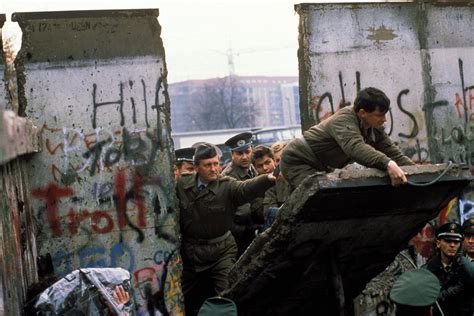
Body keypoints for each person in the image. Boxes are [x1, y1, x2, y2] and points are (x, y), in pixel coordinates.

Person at [176, 143, 276, 315]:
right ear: (197, 167)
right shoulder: (182, 185)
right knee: (183, 298)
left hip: (221, 251)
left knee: (227, 295)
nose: (214, 168)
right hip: (191, 253)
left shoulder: (227, 185)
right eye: (208, 165)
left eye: (216, 163)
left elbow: (246, 189)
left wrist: (267, 179)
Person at [280, 87, 415, 190]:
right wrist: (388, 164)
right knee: (319, 202)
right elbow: (355, 148)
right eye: (379, 115)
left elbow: (392, 152)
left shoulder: (374, 126)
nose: (384, 120)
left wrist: (418, 172)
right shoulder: (344, 119)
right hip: (299, 161)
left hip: (321, 164)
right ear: (362, 112)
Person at [221, 132, 261, 257]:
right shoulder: (228, 177)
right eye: (239, 153)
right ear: (232, 154)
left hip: (253, 228)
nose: (244, 157)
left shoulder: (253, 169)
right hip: (238, 235)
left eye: (247, 152)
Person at [424, 222, 474, 316]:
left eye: (456, 242)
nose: (452, 245)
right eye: (448, 241)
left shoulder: (465, 268)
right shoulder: (428, 269)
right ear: (438, 243)